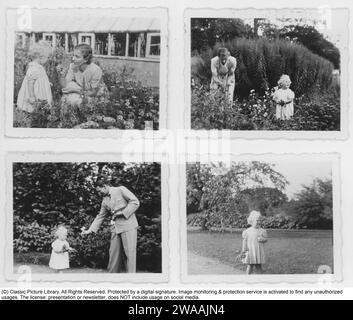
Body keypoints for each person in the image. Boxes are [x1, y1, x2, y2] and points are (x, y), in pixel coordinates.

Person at [81, 178, 140, 273]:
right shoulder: (105, 200)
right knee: (113, 255)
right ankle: (112, 280)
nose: (99, 192)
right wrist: (89, 230)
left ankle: (131, 280)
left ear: (104, 186)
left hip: (128, 226)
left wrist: (122, 213)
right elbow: (100, 216)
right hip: (115, 228)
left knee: (130, 254)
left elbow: (135, 202)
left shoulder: (120, 189)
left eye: (99, 190)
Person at [57, 43, 107, 121]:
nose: (73, 59)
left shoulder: (95, 70)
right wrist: (63, 74)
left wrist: (77, 91)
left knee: (77, 101)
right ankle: (69, 121)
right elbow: (64, 85)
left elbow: (94, 92)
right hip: (81, 91)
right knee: (67, 98)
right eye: (73, 55)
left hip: (95, 94)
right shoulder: (72, 66)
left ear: (86, 59)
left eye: (77, 57)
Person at [16, 40, 53, 126]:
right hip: (35, 93)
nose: (48, 59)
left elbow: (40, 79)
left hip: (38, 90)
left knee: (38, 109)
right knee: (34, 109)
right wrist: (32, 96)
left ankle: (38, 117)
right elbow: (30, 83)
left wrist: (47, 83)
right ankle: (34, 121)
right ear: (41, 57)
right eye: (47, 57)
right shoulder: (35, 68)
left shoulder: (38, 67)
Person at [241, 210, 268, 275]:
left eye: (260, 220)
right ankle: (247, 278)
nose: (259, 222)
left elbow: (266, 239)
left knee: (258, 266)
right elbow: (244, 241)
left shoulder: (262, 231)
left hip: (258, 251)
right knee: (250, 265)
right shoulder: (247, 231)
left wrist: (262, 239)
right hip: (250, 251)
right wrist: (243, 251)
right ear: (251, 221)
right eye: (257, 220)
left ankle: (260, 280)